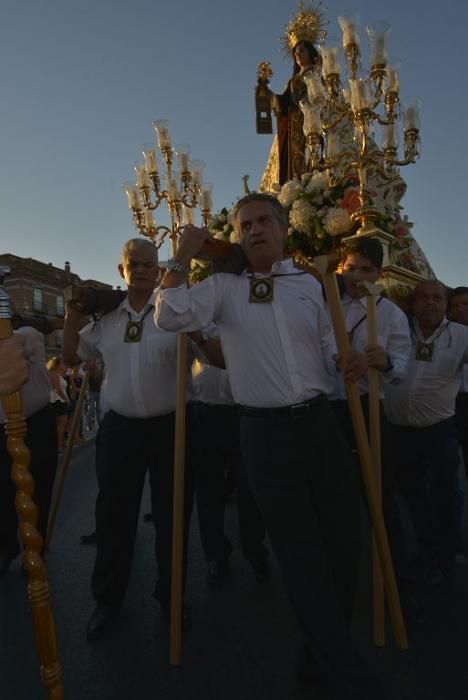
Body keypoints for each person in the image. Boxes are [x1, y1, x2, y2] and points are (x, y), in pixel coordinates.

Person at [154, 192, 390, 700]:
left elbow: (329, 342)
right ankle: (351, 678)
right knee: (302, 559)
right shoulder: (220, 288)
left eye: (265, 221)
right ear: (237, 237)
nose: (255, 230)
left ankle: (315, 657)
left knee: (347, 541)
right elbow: (168, 316)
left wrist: (343, 360)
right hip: (263, 435)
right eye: (245, 225)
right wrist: (180, 254)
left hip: (322, 426)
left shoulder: (310, 284)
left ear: (283, 229)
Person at [62, 237, 194, 641]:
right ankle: (107, 600)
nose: (140, 270)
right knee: (114, 515)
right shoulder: (105, 321)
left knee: (173, 515)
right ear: (121, 270)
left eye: (148, 264)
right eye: (132, 264)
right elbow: (70, 358)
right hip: (120, 430)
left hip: (171, 425)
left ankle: (171, 596)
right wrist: (71, 314)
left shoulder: (172, 312)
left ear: (157, 270)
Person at [384, 280, 468, 584]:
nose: (430, 303)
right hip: (399, 432)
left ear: (445, 305)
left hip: (439, 432)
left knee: (445, 492)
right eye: (423, 298)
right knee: (411, 492)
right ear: (413, 304)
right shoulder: (397, 332)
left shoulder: (461, 336)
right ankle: (426, 546)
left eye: (437, 298)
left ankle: (446, 557)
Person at [190, 329, 269, 586]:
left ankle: (255, 550)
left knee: (252, 487)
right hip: (206, 411)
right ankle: (215, 554)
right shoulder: (197, 313)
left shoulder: (239, 308)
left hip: (245, 409)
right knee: (208, 490)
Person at [0, 327, 58, 574]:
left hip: (36, 424)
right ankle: (5, 549)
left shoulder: (26, 334)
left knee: (39, 488)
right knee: (2, 492)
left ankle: (35, 550)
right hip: (1, 429)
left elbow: (31, 339)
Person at [448, 286, 468, 478]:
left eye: (465, 304)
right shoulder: (447, 334)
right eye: (455, 306)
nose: (460, 309)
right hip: (452, 402)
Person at [47, 356, 70, 452]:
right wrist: (66, 399)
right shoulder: (54, 374)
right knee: (62, 423)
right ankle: (58, 446)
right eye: (63, 363)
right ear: (58, 364)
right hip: (57, 401)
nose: (65, 365)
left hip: (60, 401)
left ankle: (60, 444)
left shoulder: (60, 374)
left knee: (61, 424)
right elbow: (57, 389)